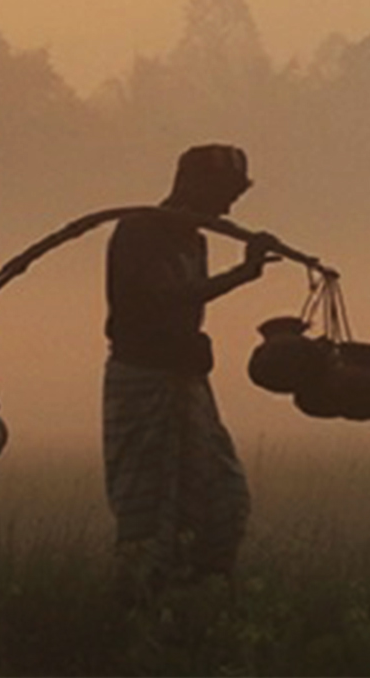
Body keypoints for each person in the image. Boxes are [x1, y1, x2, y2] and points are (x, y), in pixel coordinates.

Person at [102, 143, 279, 599]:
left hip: (186, 382)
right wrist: (243, 274)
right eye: (223, 193)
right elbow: (165, 298)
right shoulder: (140, 232)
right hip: (144, 382)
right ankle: (141, 610)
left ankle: (194, 597)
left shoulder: (192, 238)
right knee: (149, 509)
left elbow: (185, 300)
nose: (227, 206)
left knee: (223, 500)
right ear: (192, 185)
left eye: (235, 197)